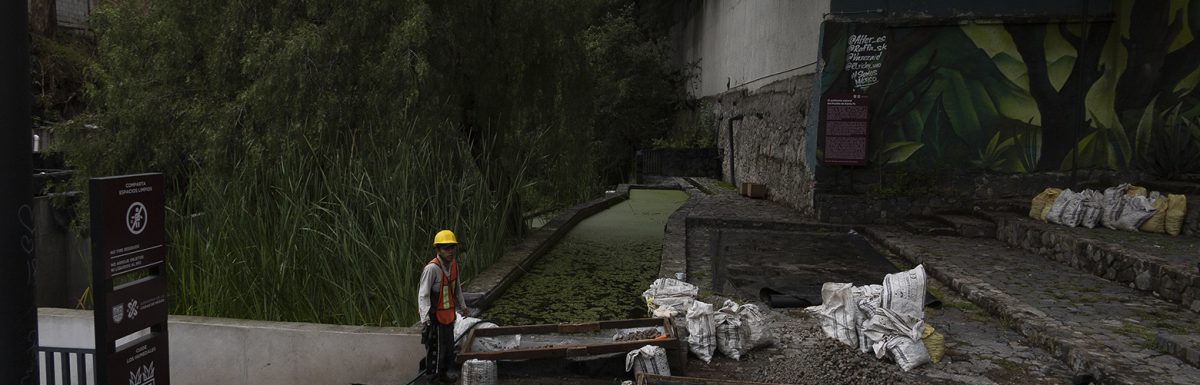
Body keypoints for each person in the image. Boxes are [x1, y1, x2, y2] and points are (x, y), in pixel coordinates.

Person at [418, 229, 471, 383]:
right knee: (436, 351)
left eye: (452, 247)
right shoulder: (432, 269)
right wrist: (425, 318)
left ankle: (444, 375)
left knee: (448, 349)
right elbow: (423, 294)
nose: (450, 251)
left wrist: (463, 306)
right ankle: (432, 379)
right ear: (438, 249)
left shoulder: (453, 265)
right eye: (446, 248)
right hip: (435, 318)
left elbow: (457, 288)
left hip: (448, 315)